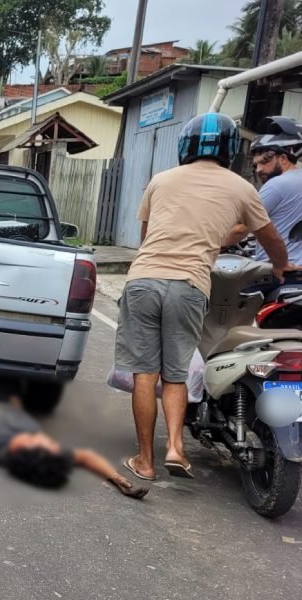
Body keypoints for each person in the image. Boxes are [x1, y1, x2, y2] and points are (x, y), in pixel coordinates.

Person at [117, 112, 295, 482]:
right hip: (190, 285)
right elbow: (270, 238)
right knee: (177, 374)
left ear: (185, 146)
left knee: (145, 374)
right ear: (231, 149)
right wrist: (280, 267)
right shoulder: (242, 188)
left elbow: (148, 237)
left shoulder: (161, 180)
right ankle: (176, 449)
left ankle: (145, 462)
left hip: (144, 279)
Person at [0, 379, 149, 498]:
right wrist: (119, 480)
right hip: (11, 393)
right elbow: (85, 457)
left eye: (45, 444)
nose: (50, 442)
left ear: (21, 449)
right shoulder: (43, 455)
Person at [223, 116, 302, 264]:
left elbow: (241, 229)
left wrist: (210, 245)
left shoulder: (276, 185)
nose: (259, 170)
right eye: (256, 165)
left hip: (278, 272)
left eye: (265, 161)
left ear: (283, 159)